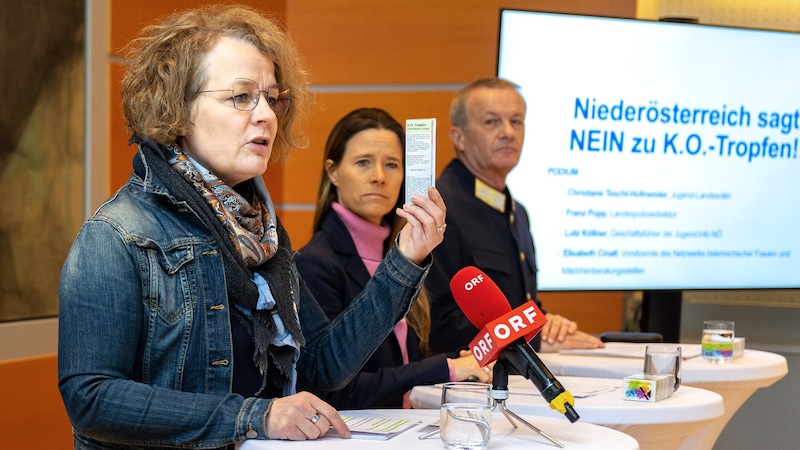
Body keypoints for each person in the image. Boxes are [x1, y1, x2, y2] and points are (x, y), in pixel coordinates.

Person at [57, 6, 446, 449]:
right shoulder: (117, 234)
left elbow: (322, 367)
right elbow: (90, 399)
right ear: (177, 111)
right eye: (241, 97)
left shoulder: (261, 232)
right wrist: (254, 415)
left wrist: (404, 259)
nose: (266, 115)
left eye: (272, 97)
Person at [295, 107, 491, 409]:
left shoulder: (403, 250)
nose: (379, 177)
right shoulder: (315, 263)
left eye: (392, 165)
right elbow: (332, 392)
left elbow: (402, 363)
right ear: (333, 172)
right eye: (363, 163)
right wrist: (445, 368)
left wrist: (458, 363)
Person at [426, 77, 604, 355]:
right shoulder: (438, 206)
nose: (508, 132)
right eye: (491, 122)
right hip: (460, 384)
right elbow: (437, 324)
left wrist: (547, 323)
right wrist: (531, 336)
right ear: (458, 137)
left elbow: (518, 305)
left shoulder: (516, 210)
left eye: (516, 121)